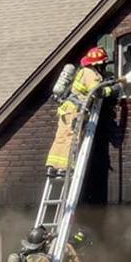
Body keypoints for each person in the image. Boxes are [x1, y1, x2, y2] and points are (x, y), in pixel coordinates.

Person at [45, 47, 123, 176]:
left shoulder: (82, 71)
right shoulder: (91, 73)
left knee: (61, 137)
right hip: (75, 110)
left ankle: (52, 166)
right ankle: (65, 167)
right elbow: (97, 92)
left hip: (66, 110)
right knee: (72, 138)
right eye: (103, 63)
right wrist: (112, 89)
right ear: (98, 64)